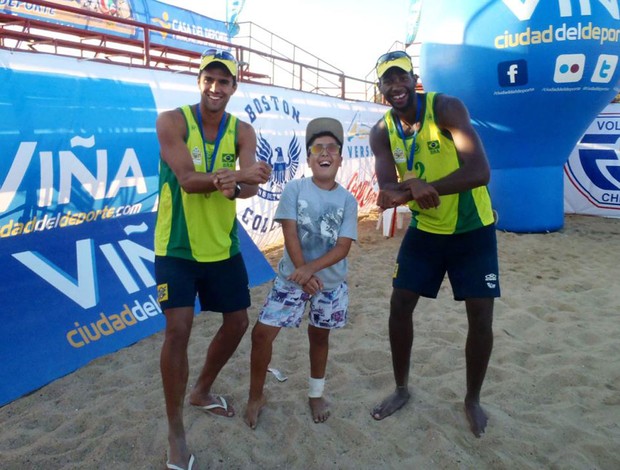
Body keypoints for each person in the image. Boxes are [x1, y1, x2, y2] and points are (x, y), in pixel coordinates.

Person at [369, 51, 500, 438]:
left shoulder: (445, 107)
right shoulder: (382, 131)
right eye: (387, 81)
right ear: (381, 88)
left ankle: (472, 399)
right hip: (426, 230)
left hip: (472, 229)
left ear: (414, 79)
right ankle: (401, 389)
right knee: (399, 305)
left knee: (480, 316)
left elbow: (480, 171)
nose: (396, 86)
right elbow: (386, 187)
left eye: (401, 78)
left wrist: (428, 188)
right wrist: (395, 194)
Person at [154, 48, 272, 470]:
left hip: (223, 246)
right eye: (209, 79)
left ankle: (201, 389)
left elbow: (252, 187)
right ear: (198, 80)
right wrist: (239, 177)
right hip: (177, 247)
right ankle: (175, 431)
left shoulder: (242, 129)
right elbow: (187, 180)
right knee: (178, 330)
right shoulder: (171, 121)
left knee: (238, 322)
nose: (216, 88)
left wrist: (235, 186)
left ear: (234, 87)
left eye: (224, 81)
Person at [243, 117, 358, 429]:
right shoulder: (294, 189)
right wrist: (303, 273)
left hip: (329, 284)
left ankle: (315, 393)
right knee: (262, 333)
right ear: (308, 158)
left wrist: (310, 271)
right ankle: (256, 395)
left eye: (331, 148)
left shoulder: (348, 199)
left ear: (340, 158)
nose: (324, 152)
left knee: (319, 337)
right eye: (317, 148)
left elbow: (343, 246)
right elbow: (289, 233)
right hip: (291, 279)